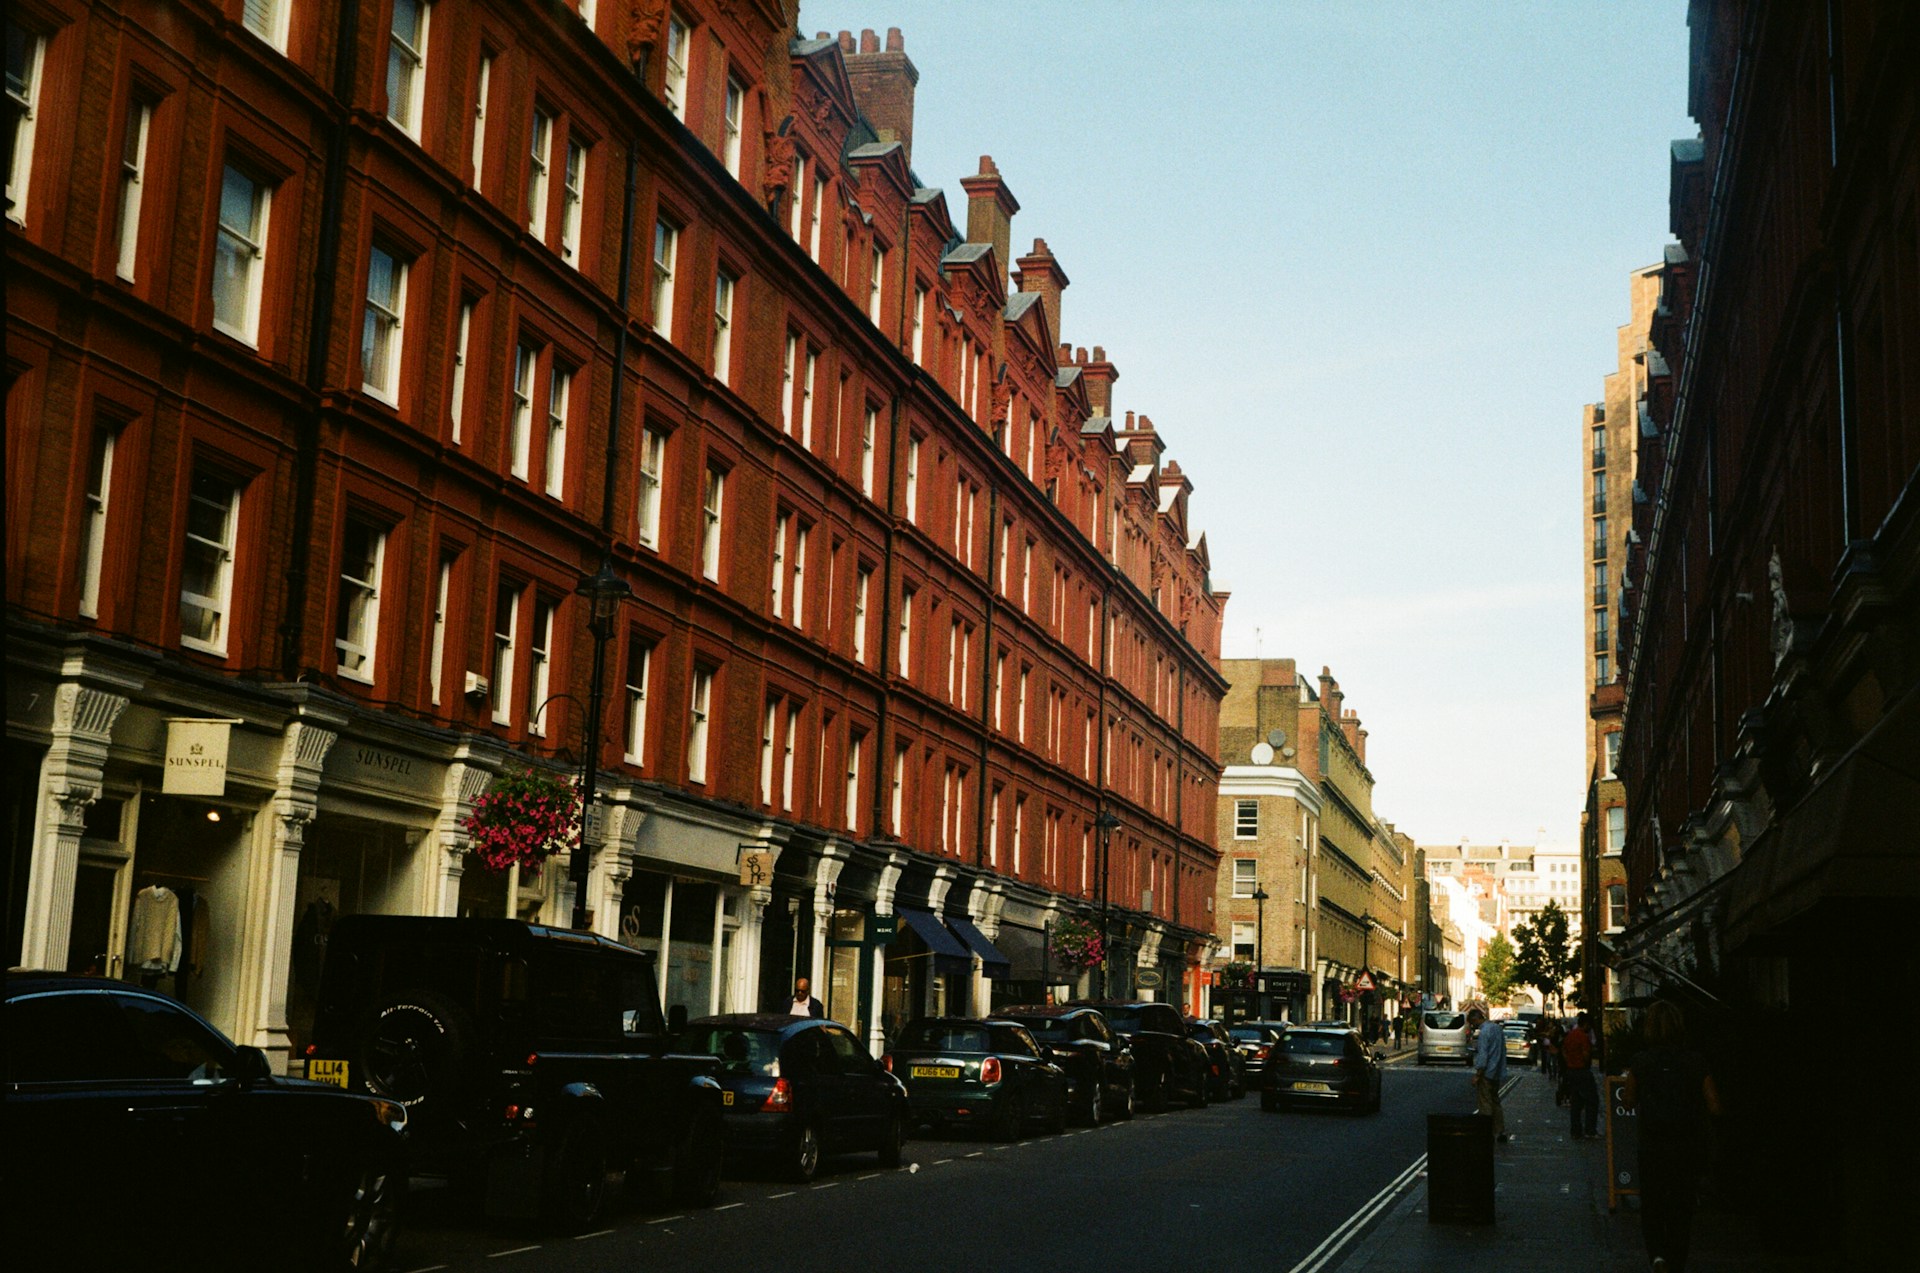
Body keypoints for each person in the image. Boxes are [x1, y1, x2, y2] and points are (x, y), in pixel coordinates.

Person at [1624, 1000, 1721, 1273]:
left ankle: (1657, 1255)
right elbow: (1714, 1104)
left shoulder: (1640, 1062)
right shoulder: (1695, 1061)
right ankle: (1676, 1259)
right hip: (1686, 1145)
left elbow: (1629, 1100)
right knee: (1681, 1205)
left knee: (1653, 1203)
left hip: (1652, 1144)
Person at [1467, 1007, 1509, 1143]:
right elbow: (1503, 1050)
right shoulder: (1497, 1029)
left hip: (1486, 1073)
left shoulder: (1484, 1032)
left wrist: (1478, 1075)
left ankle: (1487, 1132)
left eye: (1472, 1023)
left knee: (1485, 1104)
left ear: (1475, 1019)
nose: (1473, 1026)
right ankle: (1500, 1131)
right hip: (1497, 1071)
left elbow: (1483, 1055)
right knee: (1496, 1102)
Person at [1561, 1011, 1599, 1139]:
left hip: (1571, 1071)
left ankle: (1576, 1130)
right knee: (1592, 1101)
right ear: (1586, 1024)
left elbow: (1564, 1051)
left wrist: (1569, 1061)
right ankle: (1590, 1130)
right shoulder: (1583, 1036)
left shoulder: (1570, 1035)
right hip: (1582, 1071)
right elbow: (1586, 1055)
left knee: (1576, 1102)